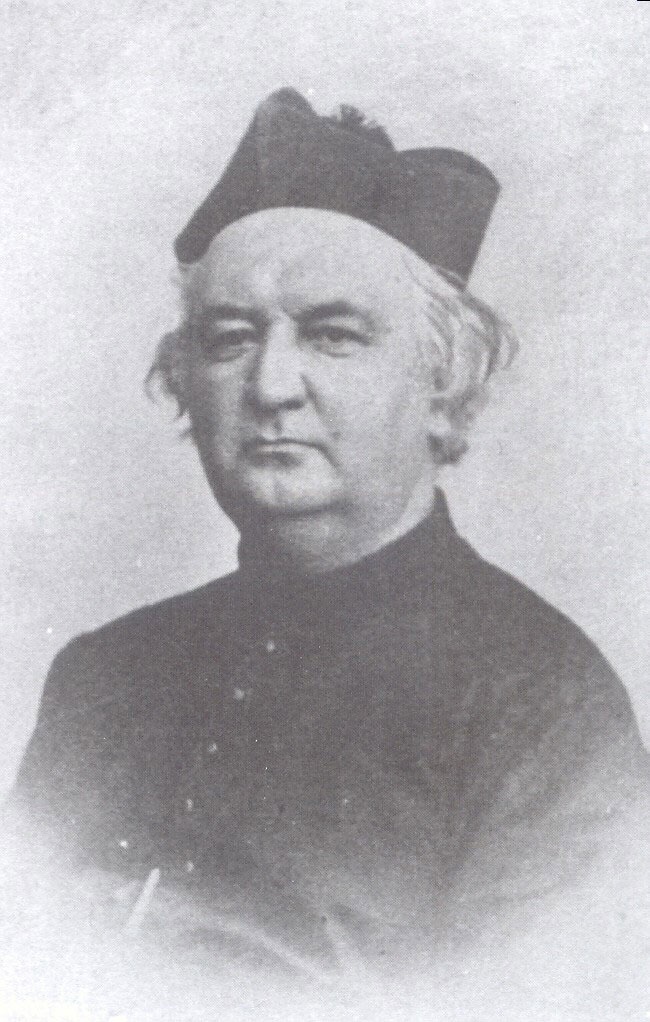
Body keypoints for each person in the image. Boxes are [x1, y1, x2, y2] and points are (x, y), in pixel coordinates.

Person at [5, 89, 648, 1016]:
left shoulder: (544, 709)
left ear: (443, 387)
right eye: (230, 339)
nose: (271, 386)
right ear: (185, 383)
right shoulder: (99, 678)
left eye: (333, 336)